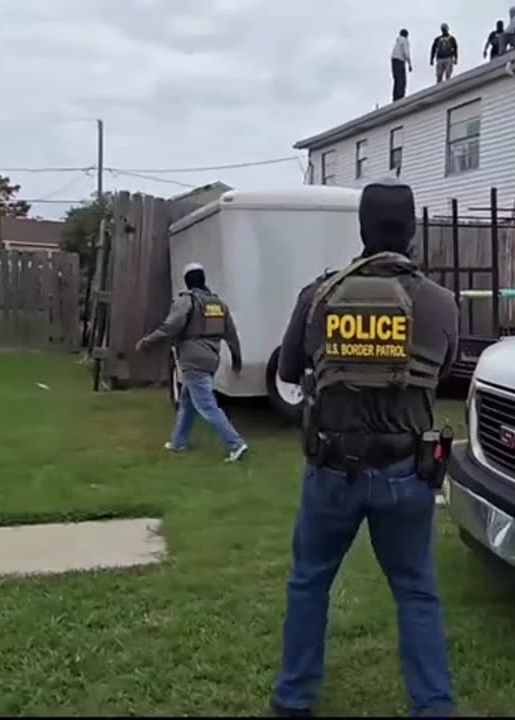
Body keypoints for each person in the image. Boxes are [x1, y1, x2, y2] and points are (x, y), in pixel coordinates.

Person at [269, 176, 460, 718]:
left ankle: (293, 700)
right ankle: (435, 708)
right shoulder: (442, 303)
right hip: (407, 470)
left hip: (332, 469)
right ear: (413, 230)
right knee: (416, 592)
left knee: (310, 584)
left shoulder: (320, 295)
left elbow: (286, 372)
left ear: (362, 229)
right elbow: (443, 373)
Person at [135, 262, 249, 463]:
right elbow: (231, 334)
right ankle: (178, 442)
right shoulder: (217, 304)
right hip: (212, 358)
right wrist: (237, 358)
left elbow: (171, 327)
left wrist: (147, 342)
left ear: (187, 281)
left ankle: (236, 443)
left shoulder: (187, 301)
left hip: (192, 360)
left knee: (207, 406)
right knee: (187, 403)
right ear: (203, 278)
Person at [391, 28, 412, 101]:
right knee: (402, 80)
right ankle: (400, 97)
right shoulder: (405, 41)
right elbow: (406, 53)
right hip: (400, 60)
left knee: (396, 79)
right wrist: (409, 64)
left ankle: (395, 97)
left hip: (394, 60)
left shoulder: (397, 42)